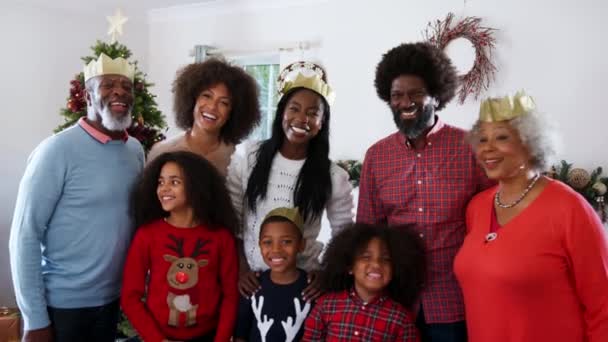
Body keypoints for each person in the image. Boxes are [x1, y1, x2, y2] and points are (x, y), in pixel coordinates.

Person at [357, 42, 492, 341]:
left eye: (415, 93)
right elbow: (368, 230)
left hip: (454, 298)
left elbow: (493, 221)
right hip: (396, 297)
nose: (405, 102)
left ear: (436, 94)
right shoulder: (377, 156)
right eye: (396, 95)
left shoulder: (471, 147)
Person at [8, 53, 144, 342]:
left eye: (126, 86)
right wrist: (34, 319)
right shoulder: (56, 150)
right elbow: (24, 236)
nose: (119, 91)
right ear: (88, 95)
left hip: (112, 301)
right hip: (63, 307)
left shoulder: (135, 151)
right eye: (107, 85)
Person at [454, 91, 608, 341]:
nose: (487, 148)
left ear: (530, 143)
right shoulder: (477, 207)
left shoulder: (570, 209)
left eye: (501, 137)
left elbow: (603, 307)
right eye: (482, 139)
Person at [227, 61, 355, 302]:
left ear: (322, 123)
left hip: (301, 285)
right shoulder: (249, 157)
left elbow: (344, 233)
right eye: (294, 109)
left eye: (312, 113)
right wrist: (241, 268)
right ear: (282, 113)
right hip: (250, 281)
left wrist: (325, 272)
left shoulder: (332, 176)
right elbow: (233, 220)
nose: (301, 118)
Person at [121, 151, 239, 342]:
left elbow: (230, 297)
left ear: (195, 187)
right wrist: (157, 340)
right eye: (160, 182)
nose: (164, 189)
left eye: (174, 182)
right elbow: (130, 297)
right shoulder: (147, 235)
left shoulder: (221, 237)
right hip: (158, 337)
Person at [302, 223, 426, 341]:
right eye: (366, 257)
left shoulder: (401, 320)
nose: (376, 264)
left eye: (386, 259)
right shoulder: (326, 306)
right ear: (349, 266)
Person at [148, 58, 260, 176]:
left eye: (224, 103)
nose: (212, 107)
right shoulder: (162, 151)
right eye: (207, 96)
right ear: (192, 99)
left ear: (233, 112)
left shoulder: (240, 159)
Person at [234, 207, 311, 342]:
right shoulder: (253, 285)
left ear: (301, 245)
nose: (276, 250)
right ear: (259, 245)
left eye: (286, 241)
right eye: (268, 242)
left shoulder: (312, 289)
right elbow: (240, 333)